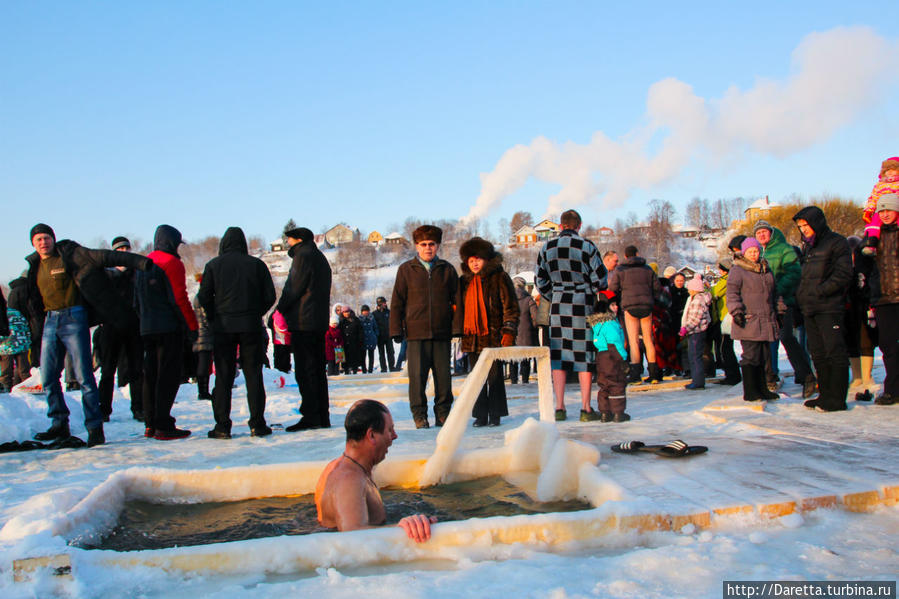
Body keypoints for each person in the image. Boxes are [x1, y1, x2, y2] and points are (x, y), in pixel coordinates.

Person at [25, 224, 152, 446]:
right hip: (50, 320)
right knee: (48, 377)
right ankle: (59, 424)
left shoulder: (73, 255)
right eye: (38, 240)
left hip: (74, 316)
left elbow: (106, 256)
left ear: (53, 239)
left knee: (84, 375)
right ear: (33, 244)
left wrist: (140, 262)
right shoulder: (35, 266)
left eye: (46, 238)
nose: (43, 243)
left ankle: (94, 427)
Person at [314, 399, 436, 542]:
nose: (394, 436)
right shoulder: (348, 479)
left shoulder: (351, 468)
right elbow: (352, 537)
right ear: (371, 435)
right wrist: (402, 528)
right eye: (390, 430)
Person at [198, 227, 276, 439]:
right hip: (250, 326)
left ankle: (222, 425)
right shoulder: (257, 265)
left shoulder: (213, 265)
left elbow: (203, 296)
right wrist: (255, 313)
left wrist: (215, 317)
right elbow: (270, 296)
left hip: (223, 327)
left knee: (223, 376)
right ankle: (257, 424)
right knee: (254, 375)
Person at [535, 210, 607, 421]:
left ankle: (559, 407)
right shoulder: (587, 246)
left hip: (558, 306)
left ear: (560, 225)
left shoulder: (547, 247)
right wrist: (589, 290)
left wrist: (556, 294)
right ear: (579, 225)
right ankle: (585, 408)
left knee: (559, 357)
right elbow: (601, 278)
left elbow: (540, 281)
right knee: (584, 356)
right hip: (582, 305)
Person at [389, 225, 458, 429]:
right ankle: (419, 416)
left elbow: (457, 301)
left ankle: (443, 414)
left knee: (443, 379)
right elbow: (397, 302)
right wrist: (395, 329)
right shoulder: (406, 270)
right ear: (417, 246)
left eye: (432, 244)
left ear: (437, 246)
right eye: (423, 244)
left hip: (441, 333)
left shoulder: (447, 269)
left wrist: (456, 328)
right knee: (417, 379)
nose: (428, 248)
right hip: (416, 334)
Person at [135, 224, 198, 440]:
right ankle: (163, 424)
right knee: (167, 376)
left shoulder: (142, 264)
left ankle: (150, 424)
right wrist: (192, 326)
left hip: (146, 327)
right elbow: (179, 298)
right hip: (168, 328)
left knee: (150, 375)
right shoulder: (172, 263)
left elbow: (136, 302)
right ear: (171, 242)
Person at [453, 237, 519, 427]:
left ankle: (495, 414)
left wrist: (508, 331)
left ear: (487, 259)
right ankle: (480, 415)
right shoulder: (464, 281)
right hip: (472, 337)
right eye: (471, 260)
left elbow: (511, 307)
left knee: (495, 377)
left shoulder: (499, 277)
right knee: (476, 378)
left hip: (493, 337)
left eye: (478, 259)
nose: (474, 263)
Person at [792, 206, 852, 412]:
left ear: (816, 223)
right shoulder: (809, 247)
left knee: (834, 351)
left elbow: (843, 275)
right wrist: (802, 295)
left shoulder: (837, 242)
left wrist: (820, 291)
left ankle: (837, 398)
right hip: (810, 307)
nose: (803, 230)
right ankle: (825, 394)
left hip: (829, 306)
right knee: (817, 353)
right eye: (800, 227)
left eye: (805, 225)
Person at [278, 227, 332, 431]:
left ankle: (311, 415)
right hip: (317, 321)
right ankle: (321, 415)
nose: (288, 244)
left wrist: (280, 309)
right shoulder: (319, 256)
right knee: (317, 370)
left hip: (303, 320)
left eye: (289, 240)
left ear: (299, 240)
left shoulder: (303, 255)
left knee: (305, 370)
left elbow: (294, 286)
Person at [753, 220, 815, 396]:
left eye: (764, 232)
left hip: (782, 301)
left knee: (787, 338)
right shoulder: (757, 253)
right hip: (764, 305)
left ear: (771, 233)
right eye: (758, 233)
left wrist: (777, 289)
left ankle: (807, 376)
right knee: (766, 342)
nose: (762, 235)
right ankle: (768, 379)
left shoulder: (783, 249)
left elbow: (794, 273)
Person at [95, 236, 145, 422]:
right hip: (111, 325)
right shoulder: (105, 274)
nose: (123, 252)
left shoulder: (137, 273)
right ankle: (104, 409)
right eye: (119, 250)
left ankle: (139, 408)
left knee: (136, 369)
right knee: (108, 370)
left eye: (126, 249)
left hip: (134, 325)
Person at [727, 238, 780, 402]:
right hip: (748, 319)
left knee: (764, 355)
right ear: (744, 253)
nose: (754, 254)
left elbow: (775, 293)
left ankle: (762, 388)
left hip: (766, 319)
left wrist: (781, 310)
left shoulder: (765, 269)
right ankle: (750, 391)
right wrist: (736, 311)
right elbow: (732, 293)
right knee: (751, 355)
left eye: (756, 251)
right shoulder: (738, 270)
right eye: (750, 251)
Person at [608, 245, 661, 383]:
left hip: (630, 307)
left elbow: (613, 289)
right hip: (646, 306)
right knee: (648, 340)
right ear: (637, 254)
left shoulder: (620, 270)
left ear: (625, 256)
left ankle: (636, 375)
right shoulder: (648, 269)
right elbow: (657, 288)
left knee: (634, 342)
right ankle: (654, 374)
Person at [871, 194, 899, 405]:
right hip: (882, 298)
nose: (885, 214)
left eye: (888, 210)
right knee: (888, 345)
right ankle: (892, 390)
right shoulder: (873, 236)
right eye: (881, 211)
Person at [588, 291, 628, 422]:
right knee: (617, 384)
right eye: (612, 305)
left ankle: (605, 413)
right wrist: (623, 359)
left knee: (604, 385)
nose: (616, 307)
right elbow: (615, 343)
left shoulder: (597, 324)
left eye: (616, 304)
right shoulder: (610, 323)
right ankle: (618, 413)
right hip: (612, 356)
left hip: (601, 357)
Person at [710, 258, 741, 385]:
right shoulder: (732, 278)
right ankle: (732, 374)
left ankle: (732, 375)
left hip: (725, 318)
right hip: (726, 317)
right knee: (726, 347)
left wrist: (707, 288)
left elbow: (714, 292)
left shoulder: (726, 279)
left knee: (725, 348)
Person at [860, 157, 899, 256]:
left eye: (893, 170)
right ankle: (871, 243)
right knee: (873, 222)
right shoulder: (880, 185)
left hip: (895, 208)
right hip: (881, 208)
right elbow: (873, 198)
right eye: (887, 170)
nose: (890, 173)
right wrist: (868, 211)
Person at [680, 275, 712, 390]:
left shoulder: (697, 300)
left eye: (689, 288)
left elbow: (695, 318)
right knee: (694, 355)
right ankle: (697, 379)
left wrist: (685, 328)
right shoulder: (698, 298)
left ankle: (698, 381)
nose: (688, 290)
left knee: (694, 356)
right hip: (696, 331)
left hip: (696, 332)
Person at [0, 280, 29, 392]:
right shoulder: (16, 312)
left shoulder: (3, 314)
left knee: (6, 373)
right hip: (21, 344)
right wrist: (27, 341)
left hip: (6, 347)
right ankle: (27, 389)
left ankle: (6, 391)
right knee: (24, 371)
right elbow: (26, 327)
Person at [510, 277, 537, 384]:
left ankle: (513, 381)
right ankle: (525, 381)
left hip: (512, 331)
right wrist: (532, 326)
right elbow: (536, 316)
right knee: (525, 359)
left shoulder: (509, 299)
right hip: (526, 333)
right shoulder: (529, 299)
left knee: (512, 359)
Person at [192, 274, 214, 400]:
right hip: (204, 334)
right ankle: (203, 391)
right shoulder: (203, 298)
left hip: (201, 333)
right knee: (204, 364)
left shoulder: (198, 297)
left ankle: (203, 389)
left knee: (205, 364)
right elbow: (206, 318)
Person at [372, 297, 396, 373]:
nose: (385, 304)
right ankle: (383, 368)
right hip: (380, 337)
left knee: (391, 352)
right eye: (384, 303)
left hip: (388, 336)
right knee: (381, 353)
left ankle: (392, 367)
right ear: (379, 303)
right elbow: (373, 326)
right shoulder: (374, 314)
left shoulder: (389, 312)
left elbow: (392, 323)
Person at [338, 306, 363, 375]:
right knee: (345, 359)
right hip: (344, 342)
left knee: (354, 357)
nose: (347, 313)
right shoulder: (341, 321)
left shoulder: (355, 320)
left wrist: (360, 340)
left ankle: (354, 371)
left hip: (354, 342)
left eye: (348, 312)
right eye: (345, 312)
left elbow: (360, 330)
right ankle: (346, 371)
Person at [359, 305, 378, 374]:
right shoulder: (359, 319)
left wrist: (375, 336)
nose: (366, 312)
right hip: (363, 340)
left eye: (367, 311)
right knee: (363, 356)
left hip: (371, 339)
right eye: (364, 311)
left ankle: (370, 370)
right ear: (362, 312)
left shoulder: (372, 318)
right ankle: (364, 370)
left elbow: (375, 327)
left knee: (371, 356)